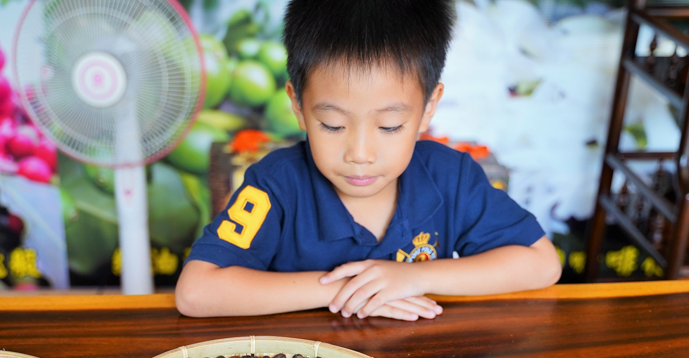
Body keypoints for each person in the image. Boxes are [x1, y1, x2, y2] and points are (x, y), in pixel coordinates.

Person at [175, 0, 561, 320]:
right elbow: (196, 292)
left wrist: (413, 277)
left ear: (429, 108)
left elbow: (541, 263)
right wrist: (348, 289)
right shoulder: (275, 184)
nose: (360, 154)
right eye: (332, 125)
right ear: (297, 104)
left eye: (390, 126)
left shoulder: (451, 176)